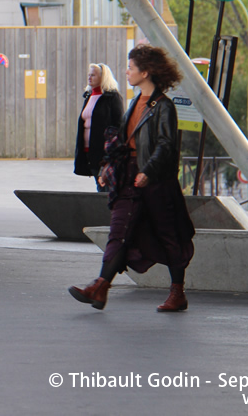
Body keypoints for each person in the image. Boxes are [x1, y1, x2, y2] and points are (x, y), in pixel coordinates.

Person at [68, 45, 195, 312]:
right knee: (119, 231)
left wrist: (148, 171)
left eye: (131, 67)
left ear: (145, 72)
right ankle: (100, 286)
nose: (126, 71)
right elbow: (123, 141)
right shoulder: (135, 102)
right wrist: (106, 168)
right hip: (128, 177)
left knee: (169, 235)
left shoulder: (163, 107)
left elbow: (166, 144)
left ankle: (177, 293)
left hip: (156, 182)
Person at [73, 63, 124, 191]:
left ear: (103, 77)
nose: (89, 78)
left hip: (104, 152)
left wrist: (111, 151)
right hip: (89, 151)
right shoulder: (89, 96)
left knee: (105, 187)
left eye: (93, 75)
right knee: (99, 185)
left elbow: (118, 125)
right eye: (89, 75)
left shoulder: (112, 97)